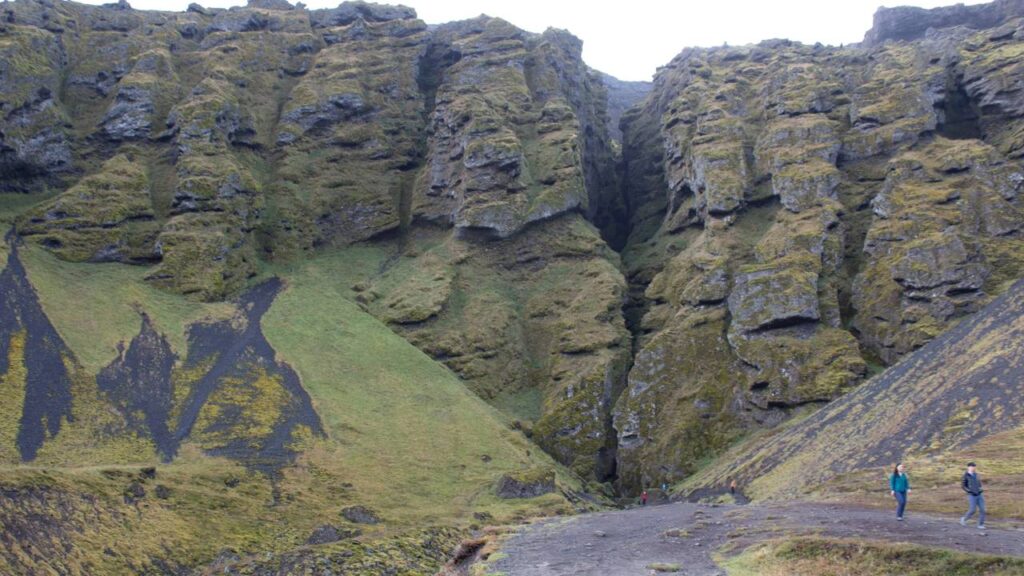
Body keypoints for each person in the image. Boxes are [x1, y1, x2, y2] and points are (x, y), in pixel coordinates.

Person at [960, 462, 986, 529]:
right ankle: (964, 519)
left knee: (983, 510)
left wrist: (980, 489)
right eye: (972, 466)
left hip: (979, 494)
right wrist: (970, 491)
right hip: (972, 495)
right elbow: (963, 486)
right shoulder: (965, 476)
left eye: (974, 466)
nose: (973, 468)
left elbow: (979, 484)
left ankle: (981, 524)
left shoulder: (976, 475)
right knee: (972, 510)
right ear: (968, 467)